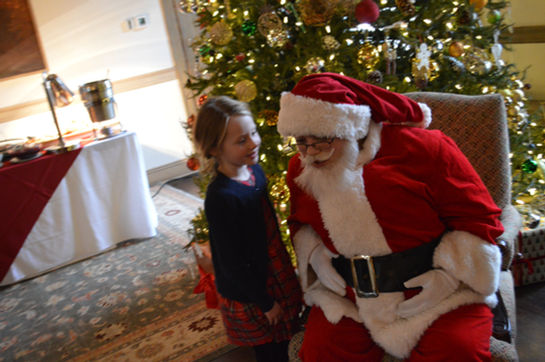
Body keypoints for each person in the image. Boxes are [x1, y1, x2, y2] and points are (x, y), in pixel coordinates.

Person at [277, 73, 515, 361]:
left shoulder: (424, 148)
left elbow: (478, 218)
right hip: (351, 297)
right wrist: (314, 253)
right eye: (302, 141)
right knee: (321, 352)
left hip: (438, 292)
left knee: (457, 351)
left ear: (352, 125)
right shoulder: (301, 169)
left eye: (323, 139)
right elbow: (300, 222)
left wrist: (449, 278)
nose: (312, 152)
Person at [192, 96, 302, 362]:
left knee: (288, 336)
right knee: (270, 350)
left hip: (272, 269)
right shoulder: (221, 197)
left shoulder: (256, 171)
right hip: (251, 290)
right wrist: (265, 302)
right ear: (215, 149)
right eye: (241, 140)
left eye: (253, 133)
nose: (253, 143)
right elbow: (233, 262)